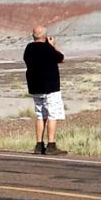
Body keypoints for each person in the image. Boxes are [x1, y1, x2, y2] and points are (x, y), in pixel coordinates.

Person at [24, 26, 67, 155]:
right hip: (51, 87)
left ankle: (39, 144)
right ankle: (51, 145)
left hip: (35, 87)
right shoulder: (48, 49)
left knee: (40, 115)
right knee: (53, 115)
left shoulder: (29, 48)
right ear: (45, 36)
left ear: (33, 36)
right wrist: (52, 45)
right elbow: (61, 58)